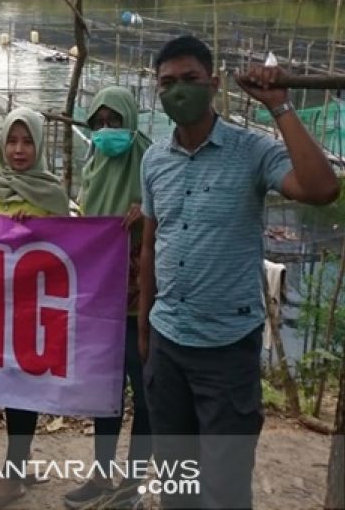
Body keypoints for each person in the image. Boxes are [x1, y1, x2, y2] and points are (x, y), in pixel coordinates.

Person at [139, 35, 338, 509]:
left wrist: (280, 107)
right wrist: (146, 331)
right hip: (167, 344)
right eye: (168, 83)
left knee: (225, 488)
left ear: (213, 83)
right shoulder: (153, 160)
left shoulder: (252, 152)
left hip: (227, 351)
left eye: (190, 79)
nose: (178, 91)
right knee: (176, 483)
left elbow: (321, 188)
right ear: (157, 90)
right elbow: (149, 247)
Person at [0, 107, 71, 510]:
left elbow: (67, 249)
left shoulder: (53, 193)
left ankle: (13, 475)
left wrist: (35, 228)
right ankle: (20, 461)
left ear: (39, 145)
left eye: (27, 141)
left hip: (33, 311)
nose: (18, 150)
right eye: (11, 141)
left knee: (23, 389)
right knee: (4, 388)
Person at [64, 86, 152, 509]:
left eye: (113, 123)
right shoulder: (94, 163)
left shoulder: (153, 164)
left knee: (146, 396)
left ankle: (132, 486)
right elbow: (87, 226)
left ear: (130, 122)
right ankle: (101, 476)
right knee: (106, 394)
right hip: (103, 305)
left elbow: (173, 221)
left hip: (144, 306)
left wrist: (147, 212)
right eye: (97, 124)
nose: (104, 131)